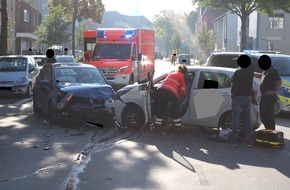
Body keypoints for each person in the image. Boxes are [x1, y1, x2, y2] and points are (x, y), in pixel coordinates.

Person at [228, 54, 254, 147]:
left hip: (237, 97)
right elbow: (250, 64)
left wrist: (232, 94)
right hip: (247, 97)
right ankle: (249, 142)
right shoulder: (251, 71)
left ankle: (234, 141)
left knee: (236, 119)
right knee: (248, 120)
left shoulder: (237, 73)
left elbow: (234, 86)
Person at [153, 64, 188, 133]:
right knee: (175, 109)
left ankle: (157, 126)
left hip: (161, 90)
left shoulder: (172, 74)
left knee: (161, 108)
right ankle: (178, 127)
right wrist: (185, 94)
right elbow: (183, 90)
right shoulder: (182, 76)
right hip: (171, 92)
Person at [254, 54, 282, 130]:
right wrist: (253, 74)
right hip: (264, 96)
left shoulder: (273, 70)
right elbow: (261, 76)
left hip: (269, 97)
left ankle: (271, 131)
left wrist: (273, 92)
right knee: (263, 115)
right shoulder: (266, 70)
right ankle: (268, 130)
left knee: (269, 116)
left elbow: (279, 81)